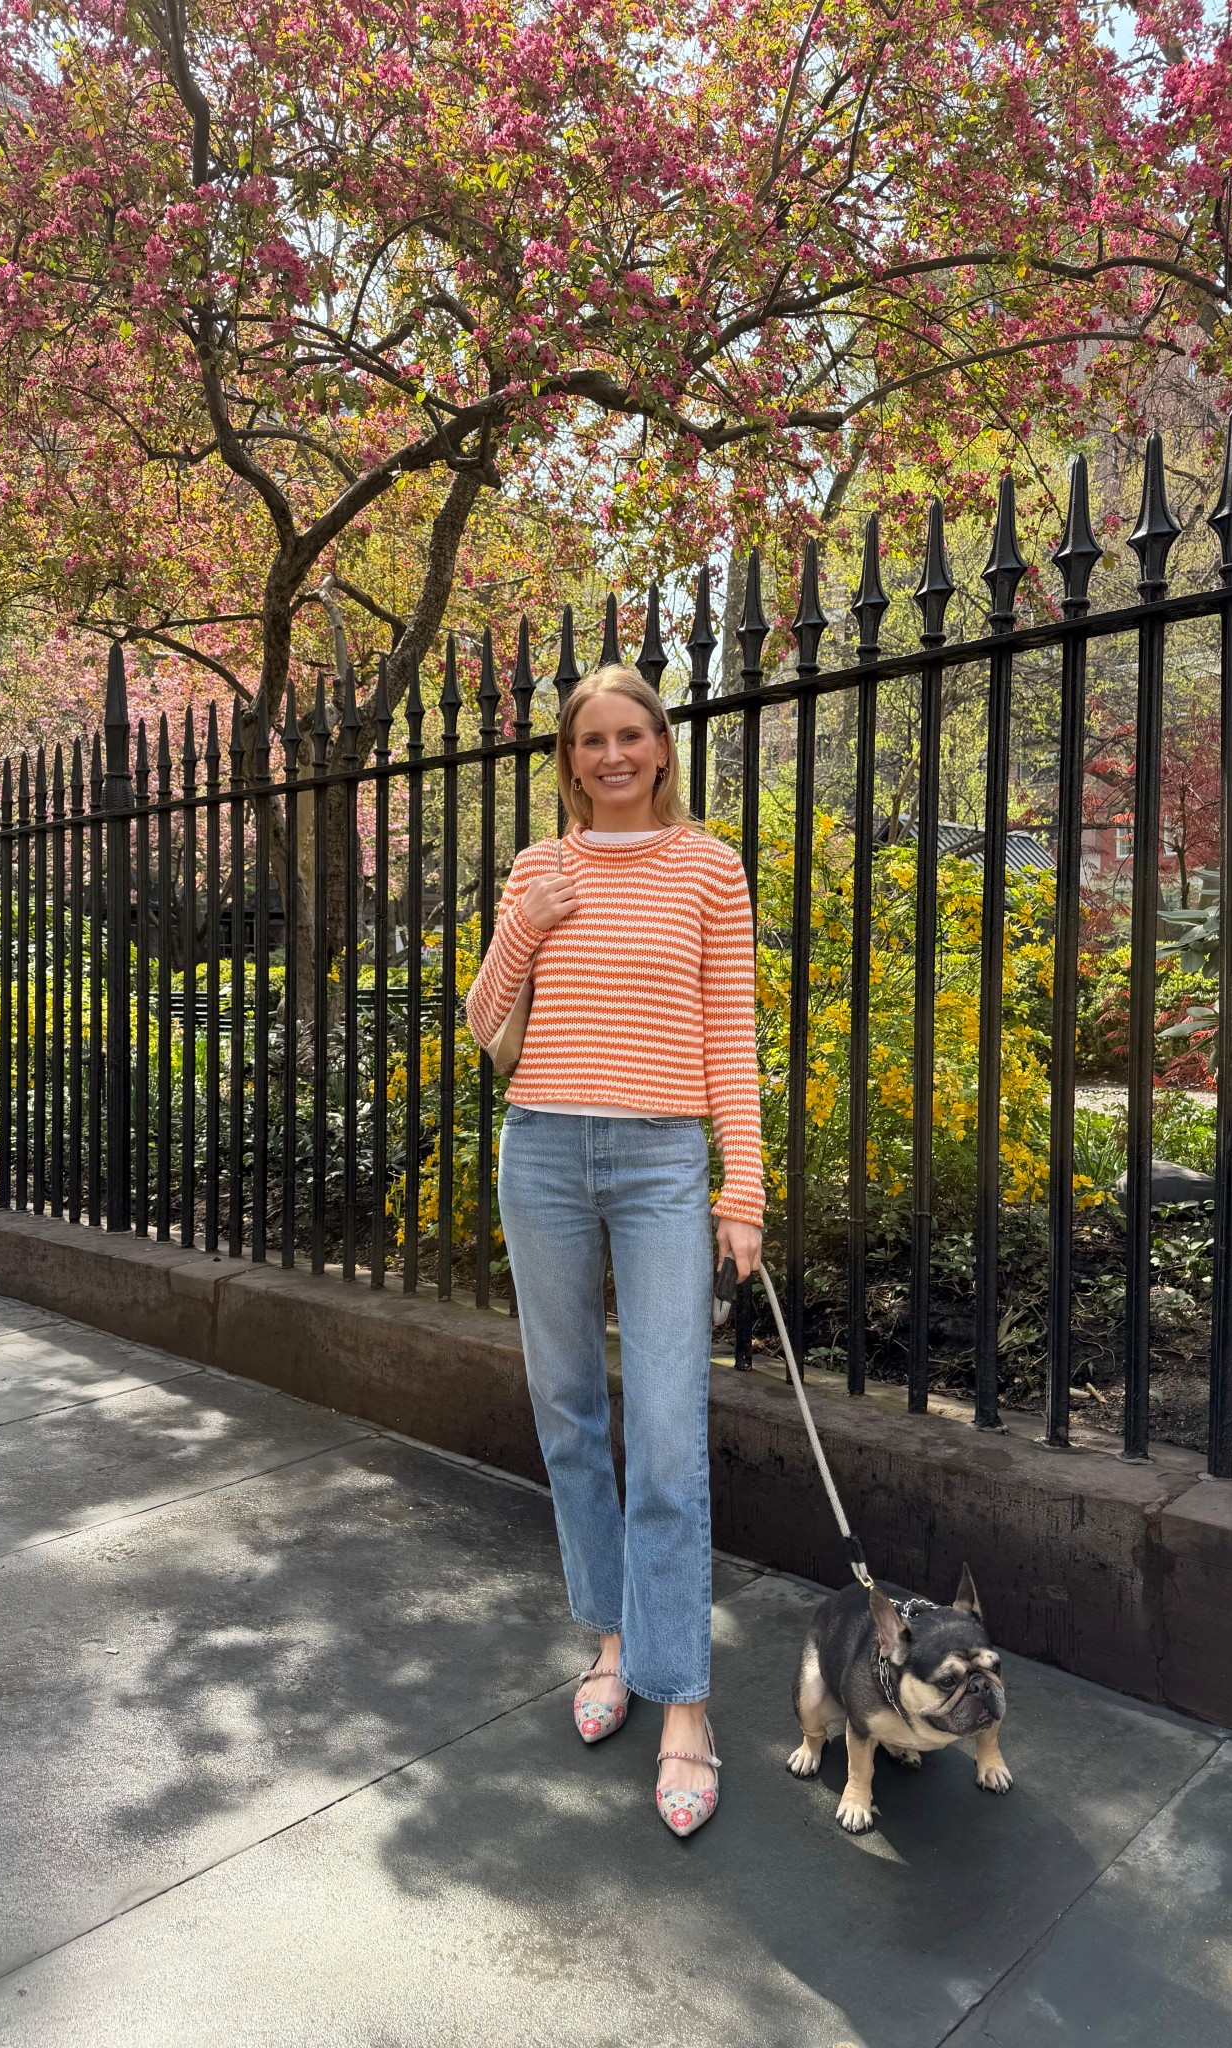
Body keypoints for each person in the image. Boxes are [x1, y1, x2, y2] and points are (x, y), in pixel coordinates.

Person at [465, 663, 763, 1838]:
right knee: (570, 1410)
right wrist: (526, 923)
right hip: (540, 1146)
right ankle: (610, 1637)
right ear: (569, 758)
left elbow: (730, 1032)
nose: (614, 754)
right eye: (592, 738)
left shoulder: (709, 867)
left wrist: (744, 1183)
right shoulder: (539, 866)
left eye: (632, 733)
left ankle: (682, 1695)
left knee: (671, 1432)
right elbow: (485, 1025)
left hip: (658, 1162)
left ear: (662, 745)